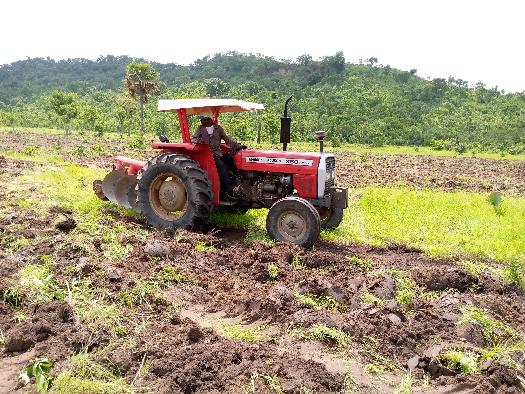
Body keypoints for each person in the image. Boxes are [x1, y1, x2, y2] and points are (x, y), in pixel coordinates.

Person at [191, 116, 246, 194]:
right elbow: (193, 139)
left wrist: (237, 146)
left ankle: (240, 180)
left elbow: (227, 140)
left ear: (209, 119)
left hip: (217, 152)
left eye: (202, 119)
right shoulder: (200, 128)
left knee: (231, 160)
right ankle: (230, 186)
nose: (201, 121)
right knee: (221, 165)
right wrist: (198, 141)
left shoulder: (218, 128)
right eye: (201, 120)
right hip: (207, 153)